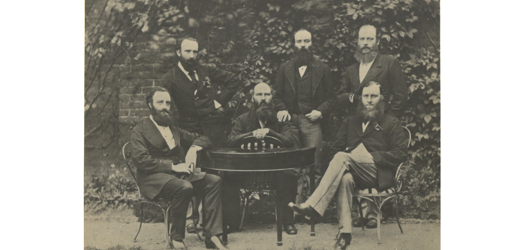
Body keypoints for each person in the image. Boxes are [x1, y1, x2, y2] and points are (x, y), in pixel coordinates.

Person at [289, 82, 408, 250]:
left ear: (381, 99)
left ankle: (313, 205)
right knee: (345, 177)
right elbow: (334, 151)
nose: (369, 101)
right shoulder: (351, 121)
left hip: (378, 173)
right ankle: (345, 234)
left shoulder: (391, 122)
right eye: (366, 96)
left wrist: (373, 157)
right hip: (353, 171)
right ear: (360, 99)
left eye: (373, 96)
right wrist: (351, 155)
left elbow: (401, 153)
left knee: (342, 158)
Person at [130, 87, 228, 250]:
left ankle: (212, 236)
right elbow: (141, 160)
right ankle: (176, 238)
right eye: (160, 102)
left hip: (178, 177)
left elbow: (203, 138)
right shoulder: (139, 130)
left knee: (213, 181)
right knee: (184, 187)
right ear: (150, 105)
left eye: (168, 103)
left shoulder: (173, 129)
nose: (164, 106)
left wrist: (193, 148)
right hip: (153, 179)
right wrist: (174, 166)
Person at [161, 37, 242, 231]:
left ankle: (214, 221)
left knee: (214, 175)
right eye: (187, 51)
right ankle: (191, 219)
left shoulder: (203, 70)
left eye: (195, 52)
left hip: (213, 131)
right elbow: (167, 110)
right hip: (189, 131)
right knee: (192, 173)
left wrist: (219, 101)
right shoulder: (169, 79)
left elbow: (233, 80)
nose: (191, 56)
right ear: (178, 52)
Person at [337, 24, 407, 228]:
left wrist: (385, 122)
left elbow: (400, 97)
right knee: (355, 161)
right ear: (357, 42)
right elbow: (340, 96)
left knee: (372, 160)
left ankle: (372, 214)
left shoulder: (388, 63)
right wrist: (353, 98)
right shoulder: (352, 69)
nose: (365, 44)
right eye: (362, 39)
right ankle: (362, 213)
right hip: (357, 125)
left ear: (377, 41)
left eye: (369, 39)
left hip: (379, 126)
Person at [272, 29, 336, 205]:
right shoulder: (284, 68)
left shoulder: (323, 69)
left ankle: (311, 207)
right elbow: (276, 96)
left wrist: (320, 111)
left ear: (312, 44)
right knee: (294, 166)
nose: (303, 46)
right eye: (299, 42)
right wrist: (282, 109)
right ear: (294, 44)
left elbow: (332, 99)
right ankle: (294, 207)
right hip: (290, 122)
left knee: (313, 166)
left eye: (306, 41)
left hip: (312, 122)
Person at [225, 82, 299, 235]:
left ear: (272, 97)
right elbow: (230, 140)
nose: (263, 98)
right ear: (253, 98)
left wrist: (270, 132)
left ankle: (288, 222)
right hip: (246, 172)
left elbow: (290, 141)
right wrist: (252, 134)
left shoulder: (280, 119)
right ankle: (231, 222)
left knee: (290, 175)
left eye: (267, 94)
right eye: (259, 94)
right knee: (227, 176)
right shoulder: (242, 119)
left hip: (275, 173)